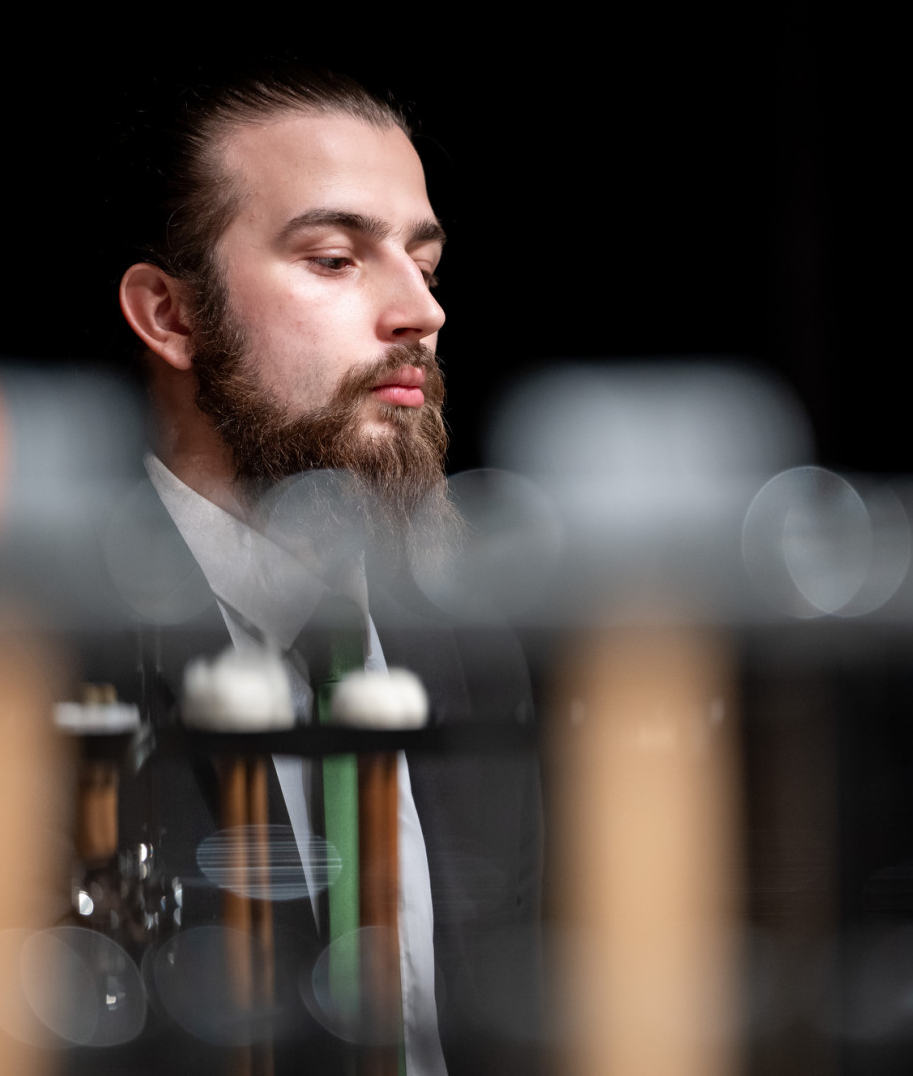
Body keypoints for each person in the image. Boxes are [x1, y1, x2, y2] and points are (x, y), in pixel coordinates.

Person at [107, 65, 542, 1076]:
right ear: (170, 316)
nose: (420, 313)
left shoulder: (478, 651)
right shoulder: (43, 656)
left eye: (425, 266)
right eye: (337, 260)